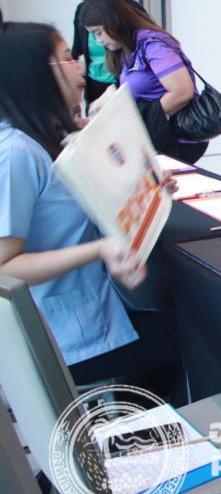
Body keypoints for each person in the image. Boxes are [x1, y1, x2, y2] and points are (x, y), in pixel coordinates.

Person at [0, 21, 179, 388]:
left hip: (90, 309)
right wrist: (99, 249)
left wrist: (148, 185)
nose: (81, 67)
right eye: (67, 59)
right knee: (189, 337)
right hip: (62, 337)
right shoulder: (17, 154)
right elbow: (5, 267)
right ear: (34, 74)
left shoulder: (51, 135)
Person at [79, 0, 206, 163]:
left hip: (178, 138)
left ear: (113, 22)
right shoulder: (129, 48)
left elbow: (182, 92)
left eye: (99, 32)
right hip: (160, 135)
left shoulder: (153, 45)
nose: (98, 40)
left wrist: (141, 117)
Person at [67, 0, 146, 105]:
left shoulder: (130, 10)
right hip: (94, 86)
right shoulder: (82, 11)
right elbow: (77, 51)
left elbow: (142, 55)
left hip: (125, 87)